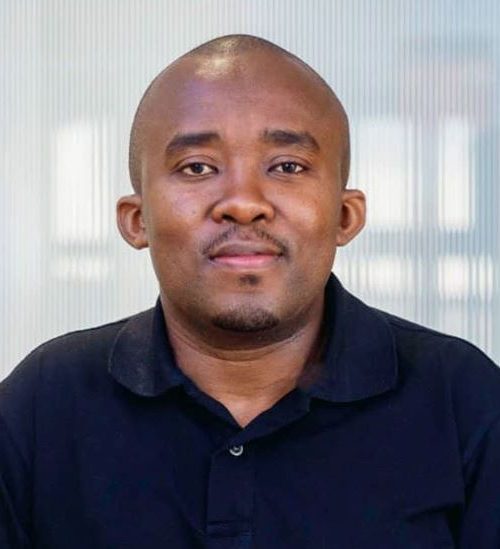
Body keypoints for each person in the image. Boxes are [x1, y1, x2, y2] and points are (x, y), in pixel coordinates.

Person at [1, 34, 499, 549]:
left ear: (345, 216)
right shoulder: (43, 403)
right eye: (197, 167)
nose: (243, 203)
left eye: (287, 167)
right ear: (136, 219)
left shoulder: (462, 399)